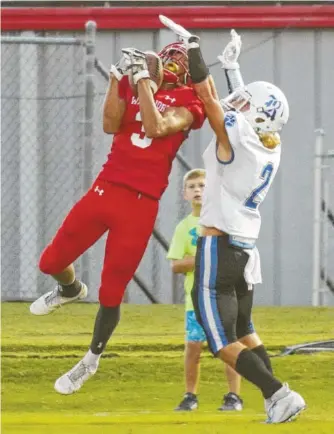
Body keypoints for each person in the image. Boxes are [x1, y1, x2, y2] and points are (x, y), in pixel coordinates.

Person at [29, 41, 206, 395]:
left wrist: (142, 81)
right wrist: (115, 79)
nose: (170, 64)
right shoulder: (136, 82)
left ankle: (90, 361)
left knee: (111, 291)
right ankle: (70, 289)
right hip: (106, 186)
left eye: (178, 59)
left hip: (140, 204)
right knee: (50, 261)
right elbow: (111, 124)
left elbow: (157, 128)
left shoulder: (190, 102)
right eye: (167, 57)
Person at [181, 30, 306, 423]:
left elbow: (208, 97)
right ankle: (275, 398)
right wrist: (233, 68)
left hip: (219, 248)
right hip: (245, 248)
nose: (241, 100)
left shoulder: (237, 138)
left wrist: (194, 51)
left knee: (219, 339)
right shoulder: (270, 142)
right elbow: (243, 111)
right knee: (245, 329)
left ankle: (279, 393)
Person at [167, 168, 243, 412]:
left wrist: (199, 258)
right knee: (193, 347)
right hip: (195, 300)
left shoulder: (223, 223)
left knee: (229, 347)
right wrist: (203, 258)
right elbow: (176, 264)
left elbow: (230, 257)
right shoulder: (184, 228)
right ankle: (190, 396)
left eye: (202, 185)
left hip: (222, 298)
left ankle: (233, 396)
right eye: (192, 187)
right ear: (184, 194)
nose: (197, 190)